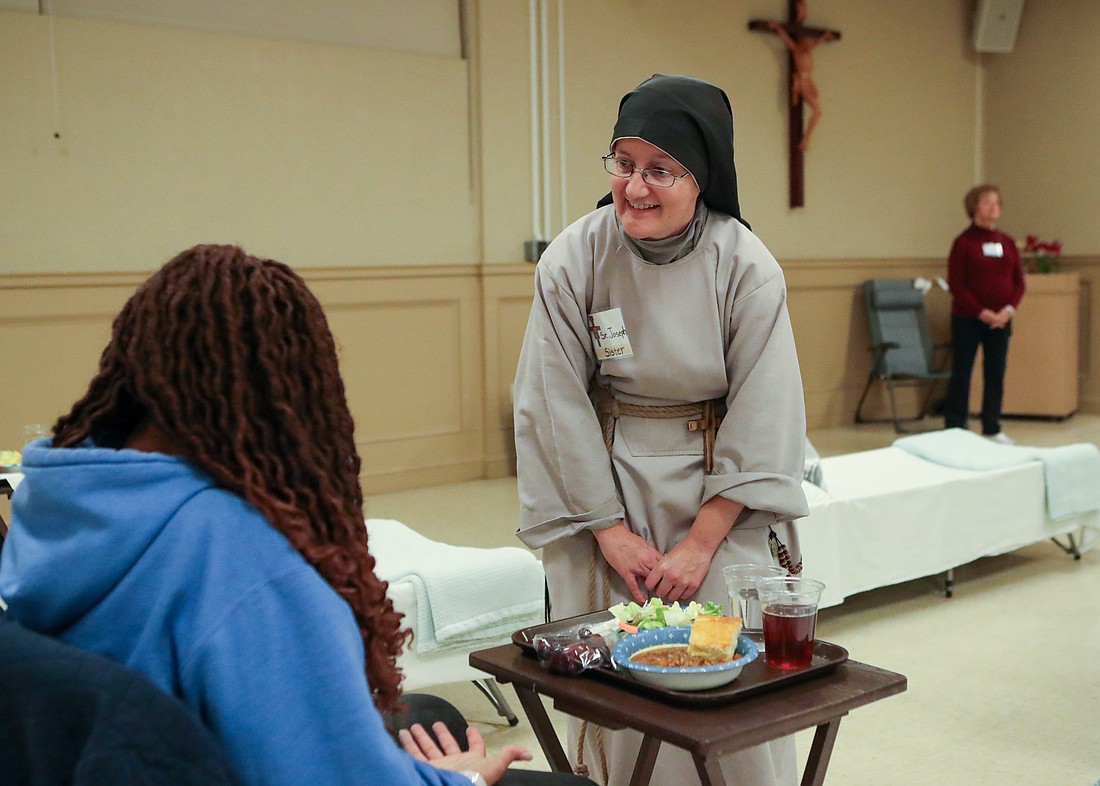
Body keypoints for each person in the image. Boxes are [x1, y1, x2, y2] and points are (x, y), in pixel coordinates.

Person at [0, 245, 590, 786]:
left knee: (425, 712)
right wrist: (459, 781)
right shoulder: (245, 561)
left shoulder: (49, 502)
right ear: (292, 395)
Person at [512, 75, 809, 785]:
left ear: (701, 176)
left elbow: (767, 407)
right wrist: (609, 531)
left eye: (660, 170)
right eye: (623, 164)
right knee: (620, 683)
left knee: (730, 680)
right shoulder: (573, 258)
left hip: (721, 493)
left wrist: (702, 542)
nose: (635, 188)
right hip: (604, 488)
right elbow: (552, 402)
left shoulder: (746, 266)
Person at [942, 185, 1025, 443]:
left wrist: (1007, 310)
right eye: (988, 202)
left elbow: (1019, 282)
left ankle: (992, 426)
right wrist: (981, 312)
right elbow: (956, 283)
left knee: (996, 372)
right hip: (968, 319)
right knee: (962, 372)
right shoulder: (963, 242)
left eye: (997, 202)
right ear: (975, 207)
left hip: (1001, 320)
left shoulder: (1007, 242)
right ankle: (956, 426)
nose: (994, 207)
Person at [765, 0, 838, 151]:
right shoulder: (797, 50)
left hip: (808, 80)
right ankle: (805, 140)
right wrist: (778, 28)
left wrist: (824, 37)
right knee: (817, 112)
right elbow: (787, 38)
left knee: (818, 112)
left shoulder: (805, 49)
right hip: (803, 81)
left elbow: (815, 44)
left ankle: (806, 139)